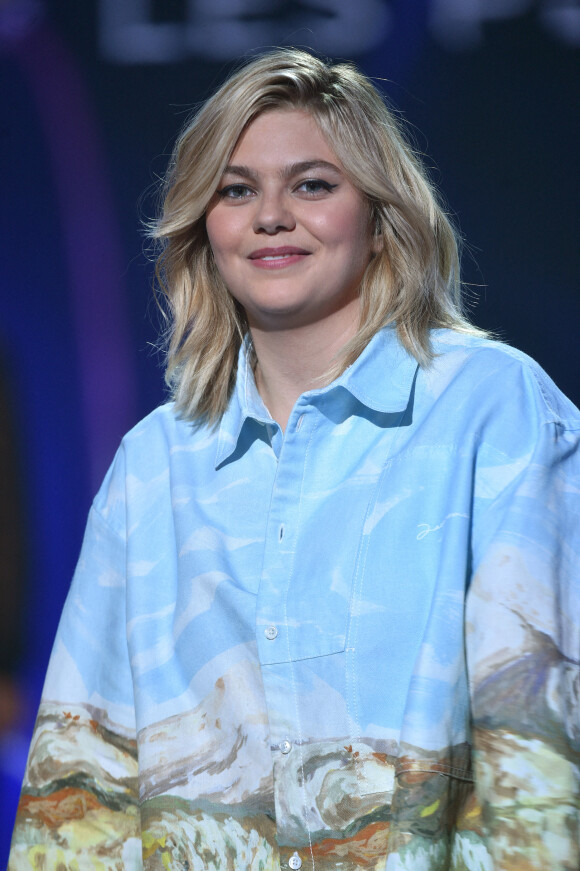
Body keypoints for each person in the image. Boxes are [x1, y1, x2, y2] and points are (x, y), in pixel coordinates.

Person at [9, 49, 580, 871]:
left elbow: (542, 755)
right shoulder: (154, 464)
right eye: (237, 190)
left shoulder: (491, 408)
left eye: (312, 184)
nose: (271, 215)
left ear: (382, 216)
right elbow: (79, 792)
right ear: (205, 225)